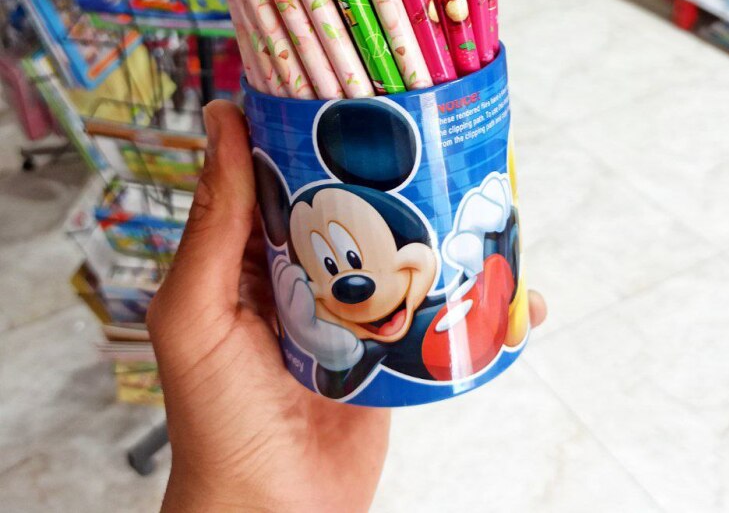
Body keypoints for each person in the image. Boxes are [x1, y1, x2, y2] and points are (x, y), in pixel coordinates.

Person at [148, 101, 547, 512]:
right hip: (435, 345)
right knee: (498, 304)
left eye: (354, 261)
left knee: (497, 297)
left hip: (459, 325)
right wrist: (316, 337)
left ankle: (493, 251)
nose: (351, 286)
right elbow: (340, 373)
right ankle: (494, 257)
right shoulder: (355, 345)